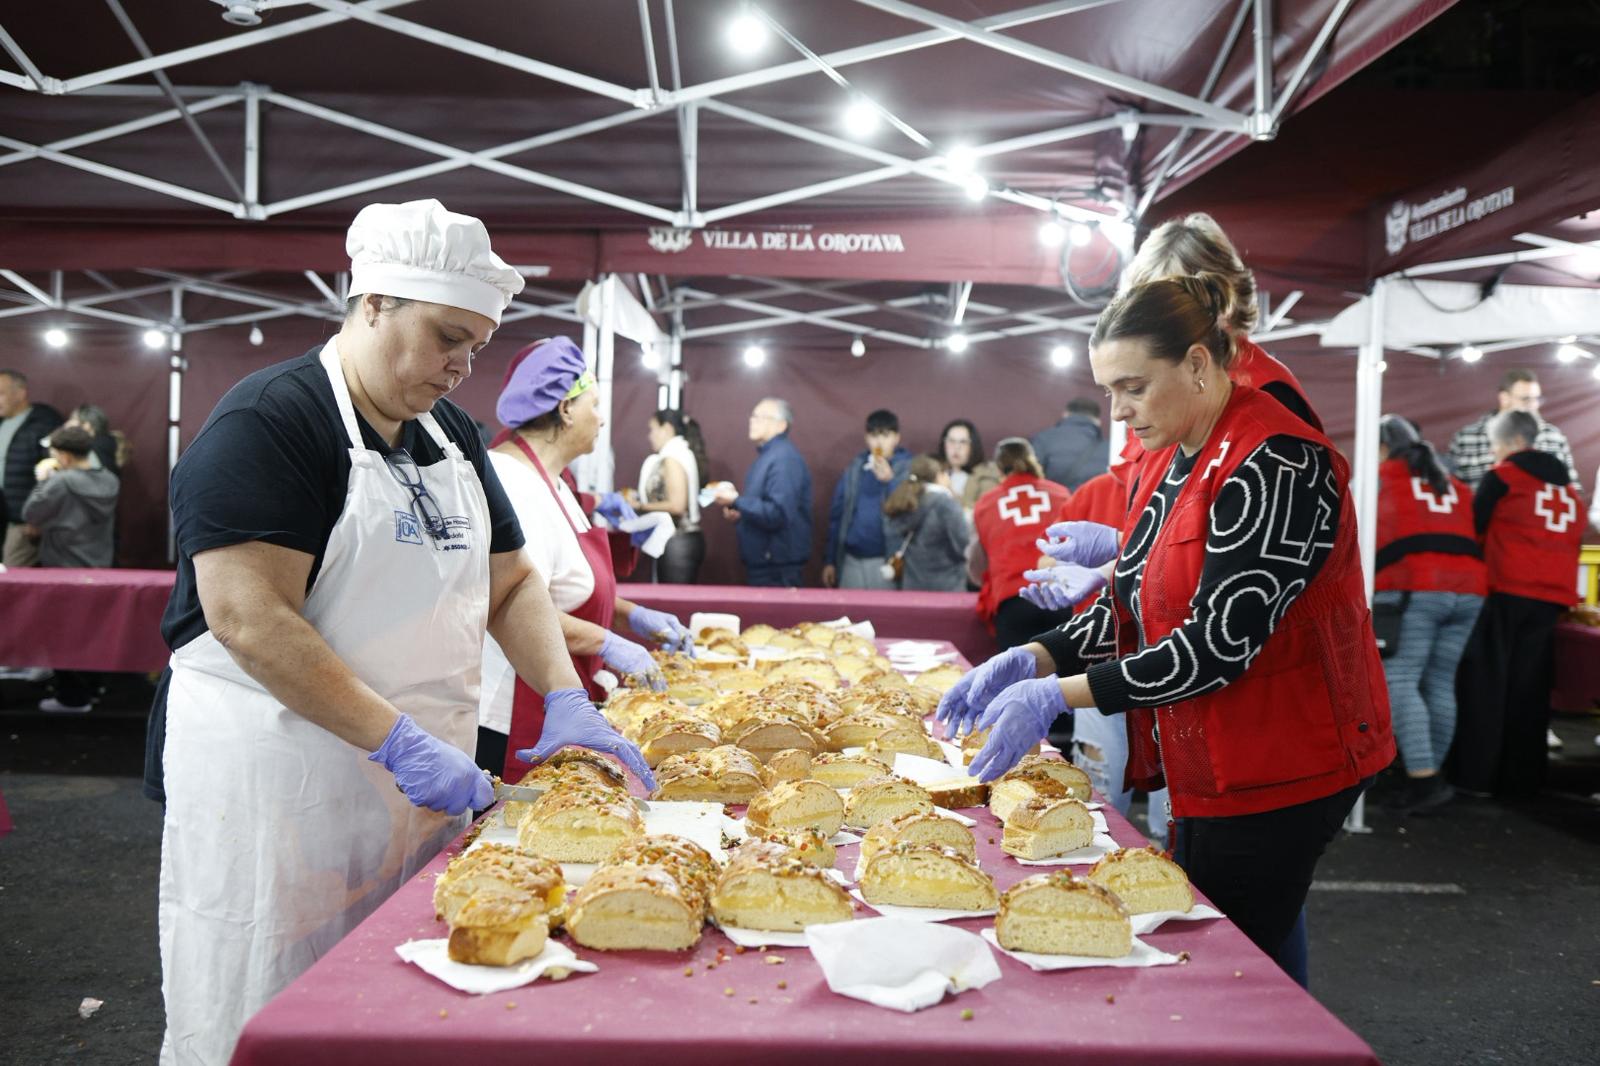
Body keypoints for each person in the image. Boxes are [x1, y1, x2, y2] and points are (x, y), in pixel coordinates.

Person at [147, 199, 653, 1066]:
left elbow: (513, 581)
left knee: (401, 998)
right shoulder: (271, 422)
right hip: (281, 781)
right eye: (446, 336)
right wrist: (396, 740)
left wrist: (567, 696)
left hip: (417, 780)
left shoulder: (449, 437)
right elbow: (248, 618)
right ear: (373, 302)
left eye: (476, 347)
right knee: (266, 993)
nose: (461, 368)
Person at [937, 274, 1394, 981]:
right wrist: (1031, 658)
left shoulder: (1277, 459)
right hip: (1210, 752)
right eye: (1110, 390)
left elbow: (1216, 647)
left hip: (1284, 758)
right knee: (1232, 946)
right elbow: (1133, 599)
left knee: (1228, 967)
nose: (1118, 411)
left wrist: (1058, 696)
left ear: (1198, 364)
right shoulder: (1172, 451)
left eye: (1133, 387)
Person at [479, 339, 694, 777]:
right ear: (564, 409)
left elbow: (566, 586)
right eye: (594, 404)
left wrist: (631, 615)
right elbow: (516, 603)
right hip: (512, 706)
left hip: (554, 692)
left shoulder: (558, 483)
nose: (601, 417)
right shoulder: (513, 483)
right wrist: (610, 643)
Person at [1452, 409, 1584, 799]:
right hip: (1549, 601)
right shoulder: (1570, 494)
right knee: (1531, 691)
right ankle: (1522, 781)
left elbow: (1473, 528)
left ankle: (1474, 777)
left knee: (1486, 686)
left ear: (1508, 443)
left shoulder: (1503, 478)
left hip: (1505, 592)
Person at [1373, 415, 1485, 815]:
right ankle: (1429, 778)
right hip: (1469, 588)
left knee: (1399, 680)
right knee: (1439, 682)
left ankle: (1423, 780)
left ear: (1382, 447)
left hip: (1413, 585)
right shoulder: (1453, 483)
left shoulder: (1380, 477)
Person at [22, 424, 120, 712]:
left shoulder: (61, 482)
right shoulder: (110, 480)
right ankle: (94, 689)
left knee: (63, 631)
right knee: (95, 630)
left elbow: (30, 512)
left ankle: (72, 697)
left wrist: (44, 479)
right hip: (100, 565)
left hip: (62, 566)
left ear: (63, 456)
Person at [970, 438, 1073, 648]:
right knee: (1065, 677)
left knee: (1016, 677)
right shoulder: (1061, 494)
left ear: (999, 469)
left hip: (1013, 601)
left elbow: (977, 565)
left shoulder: (986, 504)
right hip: (1059, 596)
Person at [713, 397, 812, 587]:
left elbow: (778, 513)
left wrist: (736, 501)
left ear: (782, 425)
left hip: (776, 566)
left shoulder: (784, 459)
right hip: (767, 561)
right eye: (753, 416)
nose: (752, 420)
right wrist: (740, 513)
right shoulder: (770, 456)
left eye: (761, 417)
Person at [822, 408, 911, 589]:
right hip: (851, 559)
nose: (879, 441)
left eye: (885, 435)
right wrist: (830, 559)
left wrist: (890, 481)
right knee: (848, 616)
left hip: (886, 560)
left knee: (886, 616)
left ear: (897, 438)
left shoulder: (908, 468)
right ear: (866, 438)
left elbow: (910, 510)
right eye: (874, 435)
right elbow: (837, 515)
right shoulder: (855, 468)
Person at [1446, 369, 1578, 489]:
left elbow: (1572, 487)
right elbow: (1452, 490)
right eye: (1526, 399)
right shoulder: (1466, 437)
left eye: (1536, 399)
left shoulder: (1553, 436)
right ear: (1504, 398)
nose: (1533, 405)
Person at [633, 408, 708, 583]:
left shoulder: (672, 458)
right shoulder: (679, 454)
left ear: (666, 428)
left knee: (676, 606)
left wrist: (639, 506)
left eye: (652, 429)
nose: (649, 436)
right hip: (678, 542)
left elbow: (677, 505)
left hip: (678, 542)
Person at [0, 368, 63, 566]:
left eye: (1, 393)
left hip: (20, 522)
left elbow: (53, 473)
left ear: (20, 393)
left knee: (11, 579)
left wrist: (38, 517)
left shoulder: (44, 423)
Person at [882, 454, 971, 592]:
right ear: (939, 475)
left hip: (912, 586)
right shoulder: (946, 505)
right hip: (947, 587)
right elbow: (963, 546)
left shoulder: (904, 503)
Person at [1029, 396, 1108, 490]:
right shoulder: (1110, 448)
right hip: (1091, 503)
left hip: (1055, 502)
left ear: (1065, 414)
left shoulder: (1042, 439)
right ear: (1098, 421)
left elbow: (1029, 477)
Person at [934, 418, 1000, 512]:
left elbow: (983, 513)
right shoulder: (933, 470)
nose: (956, 447)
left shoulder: (986, 474)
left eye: (963, 442)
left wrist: (949, 491)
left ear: (973, 446)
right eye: (951, 441)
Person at [66, 403, 120, 476]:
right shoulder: (106, 443)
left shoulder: (95, 447)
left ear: (86, 425)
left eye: (72, 419)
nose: (68, 424)